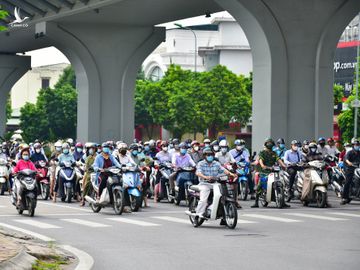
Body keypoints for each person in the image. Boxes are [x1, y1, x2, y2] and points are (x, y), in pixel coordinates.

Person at [195, 147, 236, 223]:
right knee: (203, 199)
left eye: (211, 154)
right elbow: (198, 173)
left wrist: (232, 174)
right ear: (204, 156)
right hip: (204, 184)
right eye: (208, 155)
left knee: (222, 195)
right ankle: (198, 215)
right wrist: (205, 177)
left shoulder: (216, 163)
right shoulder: (201, 163)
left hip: (215, 183)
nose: (210, 156)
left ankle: (223, 216)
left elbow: (224, 170)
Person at [252, 138, 287, 208]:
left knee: (282, 183)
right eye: (268, 143)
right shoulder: (262, 152)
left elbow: (279, 160)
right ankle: (256, 202)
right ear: (265, 144)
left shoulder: (274, 153)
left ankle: (283, 202)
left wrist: (284, 166)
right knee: (260, 185)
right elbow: (261, 160)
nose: (269, 144)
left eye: (271, 143)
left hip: (273, 171)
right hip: (264, 171)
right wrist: (262, 165)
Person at [341, 138, 360, 205]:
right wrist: (349, 163)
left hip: (357, 168)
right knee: (348, 182)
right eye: (356, 145)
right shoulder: (349, 152)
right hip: (349, 168)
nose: (357, 146)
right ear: (353, 146)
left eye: (358, 144)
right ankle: (344, 198)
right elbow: (346, 159)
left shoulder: (359, 153)